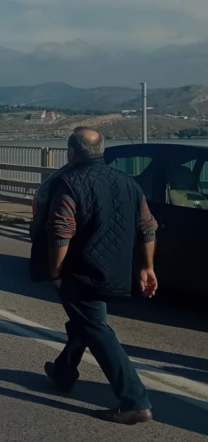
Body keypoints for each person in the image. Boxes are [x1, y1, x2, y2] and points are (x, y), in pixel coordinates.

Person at [43, 127, 158, 425]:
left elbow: (60, 233)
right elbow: (148, 227)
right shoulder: (129, 182)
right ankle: (63, 372)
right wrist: (147, 267)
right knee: (86, 322)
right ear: (101, 151)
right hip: (118, 272)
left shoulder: (69, 182)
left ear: (71, 152)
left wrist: (55, 271)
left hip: (83, 272)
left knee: (97, 329)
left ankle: (135, 401)